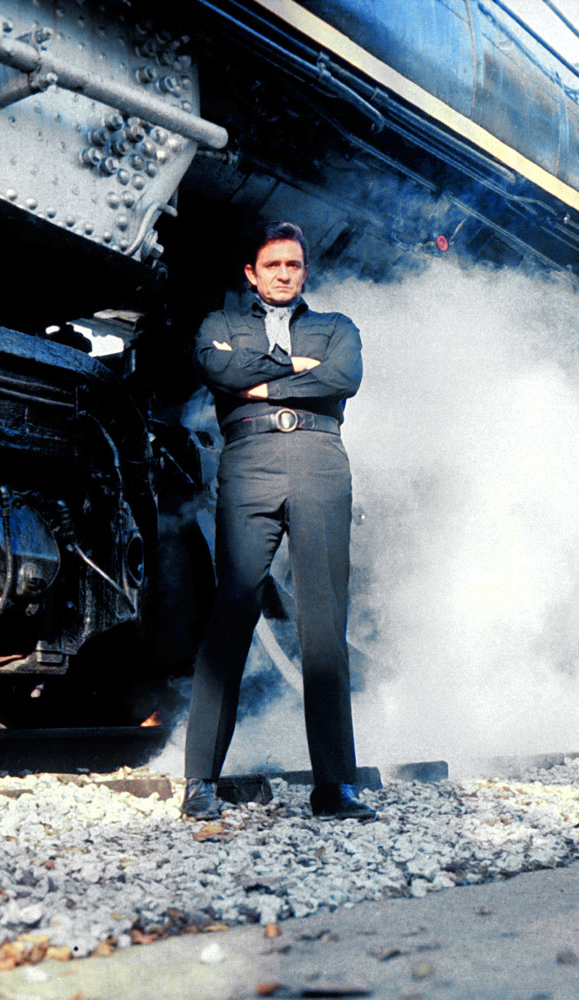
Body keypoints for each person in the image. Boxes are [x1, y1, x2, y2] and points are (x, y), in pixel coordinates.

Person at [181, 220, 374, 822]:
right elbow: (220, 372)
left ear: (304, 270)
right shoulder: (220, 325)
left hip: (320, 463)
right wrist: (298, 371)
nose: (284, 275)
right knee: (231, 614)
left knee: (323, 626)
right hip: (248, 466)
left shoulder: (337, 328)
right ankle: (199, 782)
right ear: (252, 273)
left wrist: (261, 377)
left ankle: (335, 786)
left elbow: (344, 377)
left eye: (293, 265)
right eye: (273, 266)